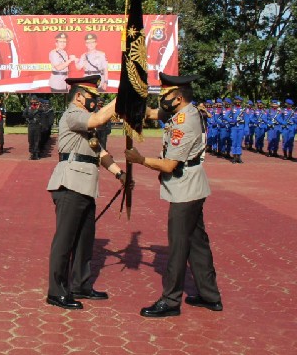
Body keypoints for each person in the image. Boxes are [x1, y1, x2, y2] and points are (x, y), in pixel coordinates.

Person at [125, 72, 223, 318]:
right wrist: (129, 102)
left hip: (185, 187)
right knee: (197, 243)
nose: (162, 99)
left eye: (166, 95)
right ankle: (210, 296)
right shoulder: (184, 112)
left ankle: (170, 301)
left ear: (177, 97)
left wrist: (140, 159)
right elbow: (150, 113)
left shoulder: (184, 122)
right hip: (191, 185)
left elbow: (169, 165)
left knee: (178, 247)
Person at [45, 75, 126, 310]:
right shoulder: (73, 114)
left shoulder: (85, 121)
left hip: (86, 186)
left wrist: (120, 174)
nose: (96, 102)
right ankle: (56, 291)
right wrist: (122, 98)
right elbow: (100, 118)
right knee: (65, 241)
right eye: (93, 97)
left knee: (84, 240)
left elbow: (99, 152)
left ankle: (80, 284)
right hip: (70, 185)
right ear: (79, 96)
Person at [227, 96, 248, 164]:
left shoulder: (244, 110)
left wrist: (246, 128)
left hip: (241, 127)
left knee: (239, 143)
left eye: (239, 101)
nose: (238, 102)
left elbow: (246, 120)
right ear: (235, 101)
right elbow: (225, 116)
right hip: (234, 127)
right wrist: (231, 120)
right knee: (234, 142)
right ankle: (234, 157)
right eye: (237, 101)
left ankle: (239, 157)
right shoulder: (232, 109)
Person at [23, 96, 43, 160]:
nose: (33, 102)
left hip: (37, 125)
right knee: (30, 140)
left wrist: (38, 107)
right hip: (31, 125)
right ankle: (31, 153)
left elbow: (43, 112)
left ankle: (36, 154)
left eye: (35, 101)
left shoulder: (40, 107)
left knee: (37, 140)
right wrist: (28, 119)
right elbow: (24, 115)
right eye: (32, 101)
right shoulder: (28, 108)